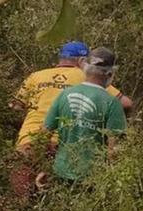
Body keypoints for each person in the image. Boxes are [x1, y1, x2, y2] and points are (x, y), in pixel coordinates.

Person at [10, 41, 132, 195]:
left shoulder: (36, 76)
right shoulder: (87, 79)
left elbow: (14, 107)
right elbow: (126, 104)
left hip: (29, 140)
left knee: (21, 196)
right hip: (64, 146)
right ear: (82, 61)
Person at [42, 47, 128, 182]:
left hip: (60, 172)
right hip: (93, 178)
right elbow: (114, 150)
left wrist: (43, 169)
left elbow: (44, 134)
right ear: (110, 73)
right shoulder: (112, 103)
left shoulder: (64, 95)